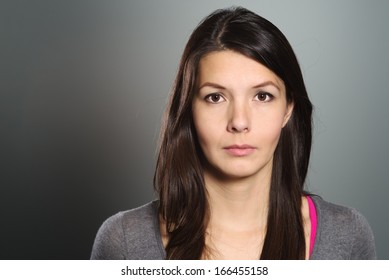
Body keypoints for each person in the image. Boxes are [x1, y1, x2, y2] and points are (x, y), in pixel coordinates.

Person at [91, 7, 376, 260]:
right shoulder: (124, 243)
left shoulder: (347, 236)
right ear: (189, 108)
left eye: (262, 96)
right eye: (215, 97)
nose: (239, 122)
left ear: (288, 109)